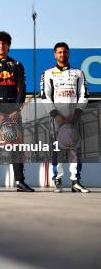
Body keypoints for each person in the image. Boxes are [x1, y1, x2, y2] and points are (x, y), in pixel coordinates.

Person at [0, 31, 34, 192]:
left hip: (13, 111)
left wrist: (17, 110)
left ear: (8, 46)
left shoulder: (17, 65)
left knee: (16, 146)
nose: (1, 46)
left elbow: (22, 89)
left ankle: (20, 181)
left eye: (4, 43)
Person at [41, 42, 89, 193]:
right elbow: (45, 96)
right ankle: (58, 181)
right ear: (55, 55)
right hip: (57, 117)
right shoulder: (48, 73)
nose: (62, 55)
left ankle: (75, 181)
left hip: (74, 116)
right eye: (59, 52)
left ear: (69, 54)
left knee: (75, 148)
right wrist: (56, 116)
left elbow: (84, 95)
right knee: (57, 148)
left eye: (65, 52)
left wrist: (77, 114)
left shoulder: (78, 73)